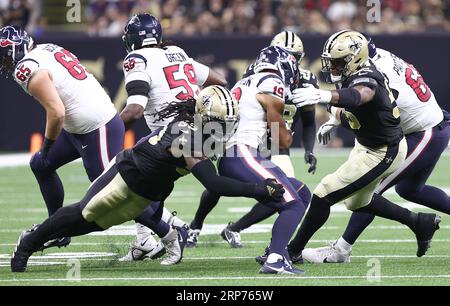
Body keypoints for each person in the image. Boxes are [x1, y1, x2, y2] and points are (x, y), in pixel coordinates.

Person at [10, 85, 285, 273]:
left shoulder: (207, 133)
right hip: (126, 175)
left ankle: (40, 237)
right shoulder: (187, 136)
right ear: (203, 117)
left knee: (94, 224)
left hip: (147, 193)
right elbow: (213, 183)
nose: (224, 128)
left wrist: (264, 166)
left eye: (228, 122)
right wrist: (258, 188)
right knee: (84, 212)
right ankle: (29, 243)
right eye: (219, 122)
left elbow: (224, 166)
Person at [282, 30, 441, 264]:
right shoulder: (361, 68)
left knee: (324, 193)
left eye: (338, 63)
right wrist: (335, 115)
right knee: (357, 202)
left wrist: (325, 97)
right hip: (370, 143)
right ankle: (419, 222)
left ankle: (292, 251)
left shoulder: (369, 77)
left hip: (383, 150)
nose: (332, 68)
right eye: (331, 62)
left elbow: (360, 95)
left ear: (355, 58)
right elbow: (361, 112)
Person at [187, 31, 318, 248]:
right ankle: (276, 255)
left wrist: (307, 148)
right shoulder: (270, 82)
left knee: (299, 193)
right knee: (288, 200)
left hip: (255, 144)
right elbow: (281, 137)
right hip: (248, 146)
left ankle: (244, 233)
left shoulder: (257, 78)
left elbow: (305, 121)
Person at [0, 25, 125, 250]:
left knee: (115, 189)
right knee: (40, 164)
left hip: (97, 126)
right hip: (78, 127)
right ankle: (55, 229)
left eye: (6, 55)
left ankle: (167, 228)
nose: (5, 62)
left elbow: (56, 112)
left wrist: (47, 145)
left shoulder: (26, 67)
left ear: (17, 48)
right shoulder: (45, 48)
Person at [117, 13, 228, 261]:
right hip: (201, 135)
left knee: (126, 178)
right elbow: (220, 81)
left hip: (172, 138)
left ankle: (173, 226)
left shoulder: (136, 58)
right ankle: (145, 240)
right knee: (139, 184)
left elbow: (134, 108)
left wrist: (107, 130)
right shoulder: (176, 51)